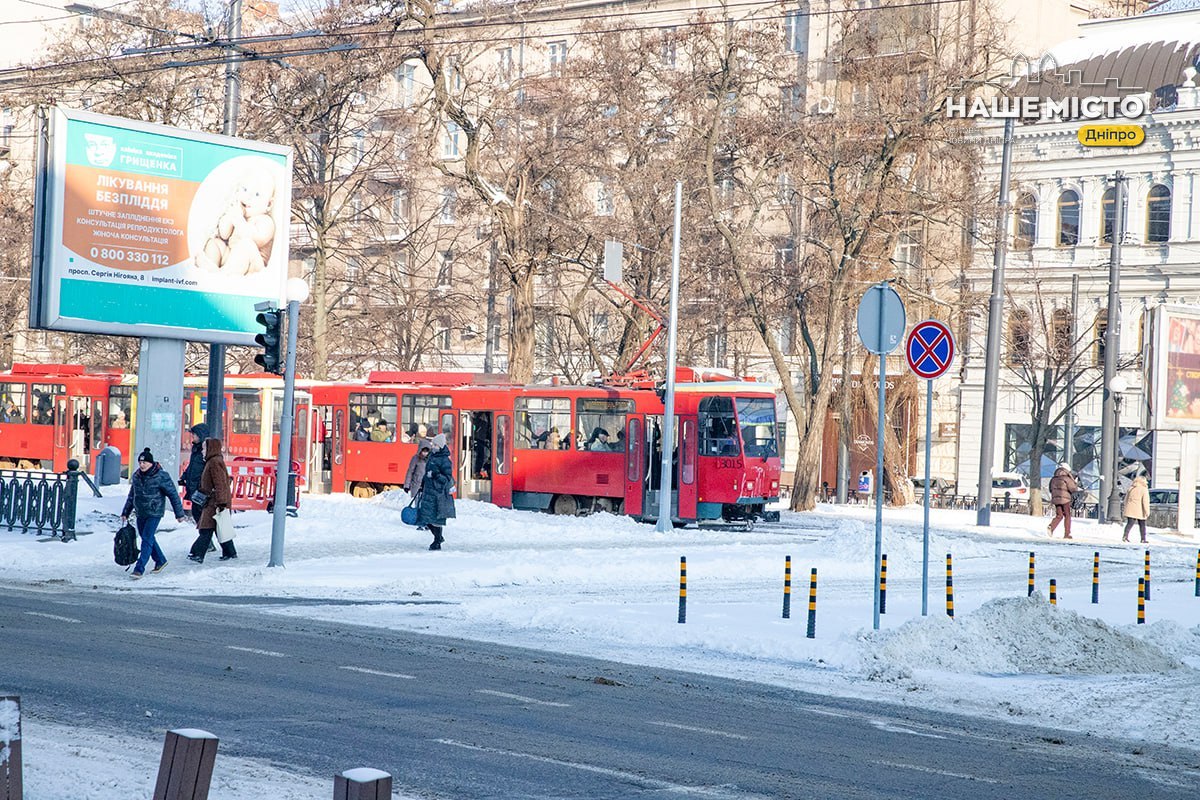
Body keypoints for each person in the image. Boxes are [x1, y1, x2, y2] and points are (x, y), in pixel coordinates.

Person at [120, 448, 187, 579]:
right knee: (148, 537)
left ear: (151, 463)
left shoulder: (161, 476)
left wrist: (179, 514)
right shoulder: (137, 476)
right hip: (141, 511)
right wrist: (126, 512)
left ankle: (139, 568)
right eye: (140, 462)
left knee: (146, 538)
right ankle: (160, 560)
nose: (142, 465)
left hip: (155, 512)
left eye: (145, 462)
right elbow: (132, 495)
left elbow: (173, 494)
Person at [188, 438, 235, 563]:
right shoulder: (213, 461)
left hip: (214, 502)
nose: (202, 451)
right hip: (215, 501)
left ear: (211, 448)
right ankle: (230, 552)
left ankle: (197, 553)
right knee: (218, 527)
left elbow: (220, 483)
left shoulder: (213, 462)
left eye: (204, 448)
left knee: (206, 528)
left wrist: (221, 502)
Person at [416, 433, 456, 551]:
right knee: (425, 518)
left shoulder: (445, 460)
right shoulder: (432, 456)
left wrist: (435, 475)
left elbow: (447, 478)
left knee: (436, 519)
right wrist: (422, 485)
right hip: (428, 492)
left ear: (440, 446)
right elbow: (426, 473)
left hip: (438, 494)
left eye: (435, 444)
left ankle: (437, 541)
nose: (432, 446)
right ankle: (438, 538)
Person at [1047, 463, 1080, 539]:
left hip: (1056, 498)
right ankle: (1067, 534)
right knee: (1067, 515)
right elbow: (1073, 488)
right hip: (1065, 499)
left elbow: (1050, 489)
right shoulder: (1066, 478)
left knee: (1059, 515)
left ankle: (1051, 527)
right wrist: (1075, 482)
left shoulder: (1054, 478)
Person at [1122, 475, 1150, 543]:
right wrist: (1147, 512)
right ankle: (1143, 539)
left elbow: (1125, 500)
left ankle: (1125, 536)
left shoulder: (1131, 488)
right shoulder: (1144, 489)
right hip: (1140, 510)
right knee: (1142, 525)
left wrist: (1126, 507)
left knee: (1129, 524)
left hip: (1130, 509)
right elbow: (1145, 502)